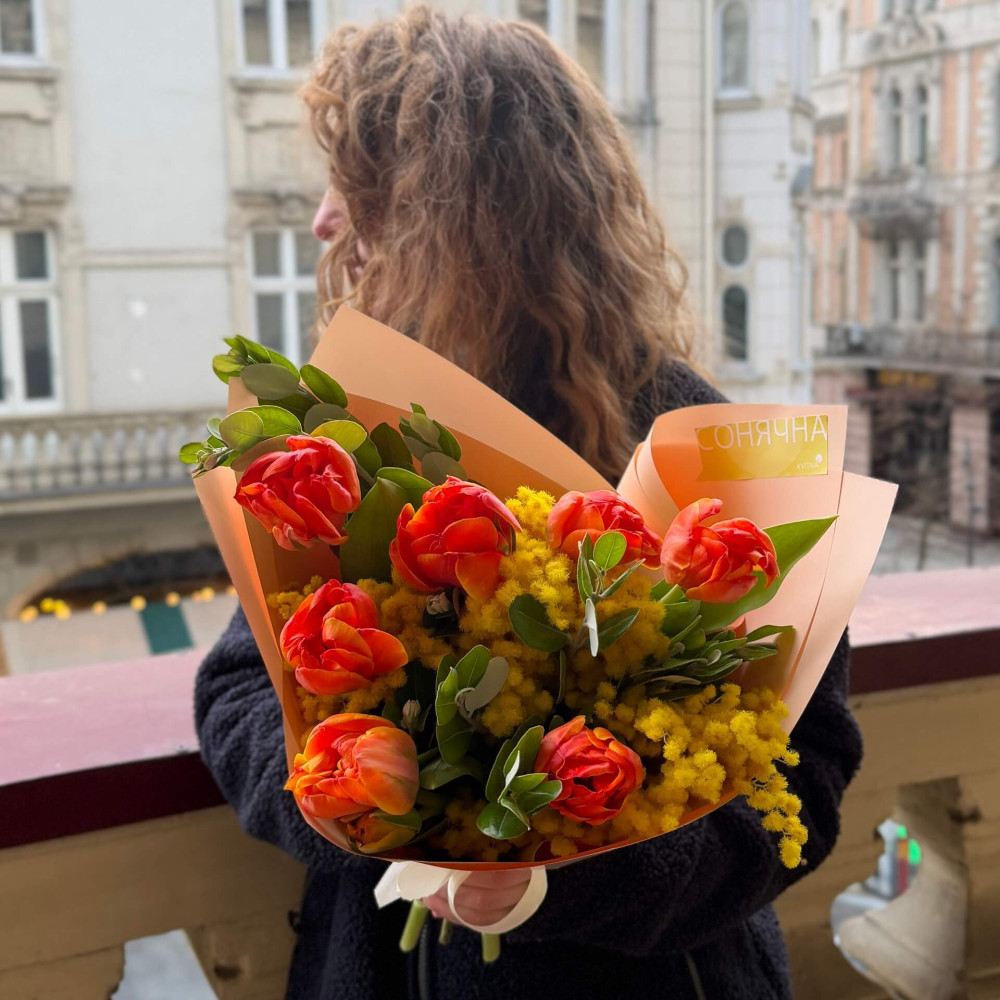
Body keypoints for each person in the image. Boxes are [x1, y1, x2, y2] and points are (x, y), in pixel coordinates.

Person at [195, 8, 861, 999]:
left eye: (359, 190)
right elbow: (239, 692)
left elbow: (803, 775)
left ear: (459, 219)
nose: (325, 223)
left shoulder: (698, 446)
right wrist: (365, 795)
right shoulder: (353, 440)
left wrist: (550, 878)